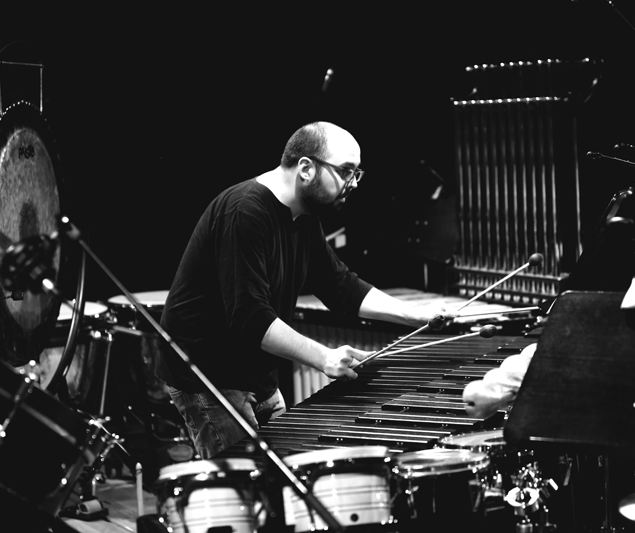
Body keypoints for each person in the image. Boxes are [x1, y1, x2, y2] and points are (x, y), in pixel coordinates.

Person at [157, 121, 447, 459]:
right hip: (210, 377)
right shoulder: (245, 212)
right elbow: (250, 319)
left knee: (285, 473)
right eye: (346, 171)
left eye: (357, 173)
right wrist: (324, 358)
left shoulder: (304, 217)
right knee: (249, 482)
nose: (353, 183)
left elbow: (341, 286)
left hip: (255, 372)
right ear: (306, 168)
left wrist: (419, 317)